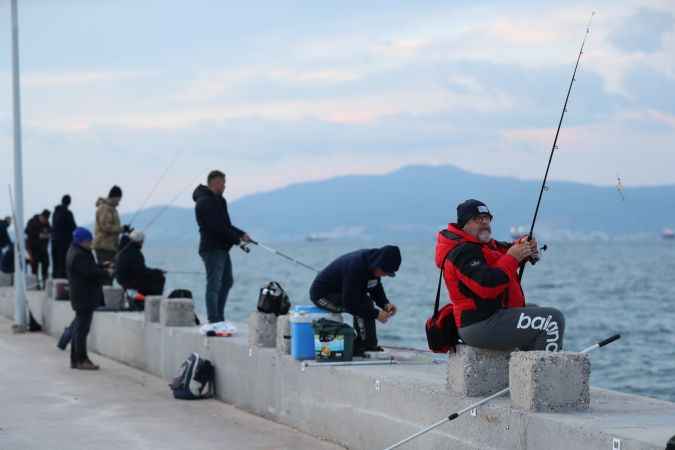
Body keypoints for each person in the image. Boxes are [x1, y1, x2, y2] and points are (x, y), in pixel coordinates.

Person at [435, 199, 565, 352]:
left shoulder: (482, 246)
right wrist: (513, 257)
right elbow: (487, 286)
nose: (484, 222)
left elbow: (503, 250)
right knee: (552, 321)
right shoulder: (462, 253)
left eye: (487, 218)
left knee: (534, 309)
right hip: (479, 325)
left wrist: (523, 246)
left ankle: (526, 371)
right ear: (464, 225)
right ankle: (546, 374)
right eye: (477, 219)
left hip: (491, 316)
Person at [309, 245, 401, 355]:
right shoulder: (356, 267)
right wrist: (376, 314)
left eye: (388, 273)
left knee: (364, 302)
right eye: (385, 272)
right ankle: (362, 344)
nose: (385, 275)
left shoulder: (373, 263)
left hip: (342, 292)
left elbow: (375, 287)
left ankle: (368, 344)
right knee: (362, 304)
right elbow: (350, 304)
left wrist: (385, 304)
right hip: (322, 296)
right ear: (378, 264)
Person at [193, 170, 252, 323]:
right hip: (211, 249)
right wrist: (237, 240)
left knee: (227, 281)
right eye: (223, 183)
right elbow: (216, 227)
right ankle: (214, 320)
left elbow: (226, 225)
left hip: (222, 248)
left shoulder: (220, 200)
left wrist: (241, 234)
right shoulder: (204, 201)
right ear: (214, 182)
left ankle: (219, 316)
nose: (225, 186)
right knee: (214, 284)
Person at [66, 227, 112, 370]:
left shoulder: (77, 251)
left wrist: (101, 266)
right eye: (88, 240)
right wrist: (106, 272)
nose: (91, 242)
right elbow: (89, 273)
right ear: (80, 241)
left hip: (82, 296)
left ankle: (76, 360)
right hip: (83, 297)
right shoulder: (79, 255)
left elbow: (89, 267)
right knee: (82, 330)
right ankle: (81, 360)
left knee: (79, 329)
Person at [114, 230, 165, 296]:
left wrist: (154, 271)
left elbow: (138, 269)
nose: (142, 244)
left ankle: (143, 299)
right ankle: (151, 301)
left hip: (122, 279)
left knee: (153, 276)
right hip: (129, 281)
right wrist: (157, 272)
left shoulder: (123, 249)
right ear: (140, 241)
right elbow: (140, 271)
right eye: (142, 242)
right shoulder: (135, 252)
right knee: (159, 278)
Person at [93, 185, 129, 265]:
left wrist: (123, 229)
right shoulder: (104, 208)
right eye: (118, 199)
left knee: (110, 271)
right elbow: (106, 226)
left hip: (110, 246)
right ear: (114, 197)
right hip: (104, 246)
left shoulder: (111, 208)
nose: (119, 202)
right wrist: (121, 229)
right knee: (107, 271)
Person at [51, 195, 77, 278]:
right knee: (64, 262)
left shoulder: (55, 213)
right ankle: (63, 280)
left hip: (54, 241)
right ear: (69, 202)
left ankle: (55, 279)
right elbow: (73, 227)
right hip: (65, 242)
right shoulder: (68, 213)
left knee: (56, 262)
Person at [25, 209, 51, 289]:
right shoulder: (32, 222)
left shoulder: (47, 223)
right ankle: (35, 285)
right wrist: (39, 235)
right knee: (34, 267)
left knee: (46, 264)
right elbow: (26, 231)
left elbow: (50, 231)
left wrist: (47, 235)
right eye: (44, 219)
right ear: (41, 216)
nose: (45, 221)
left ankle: (44, 284)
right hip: (33, 248)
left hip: (43, 248)